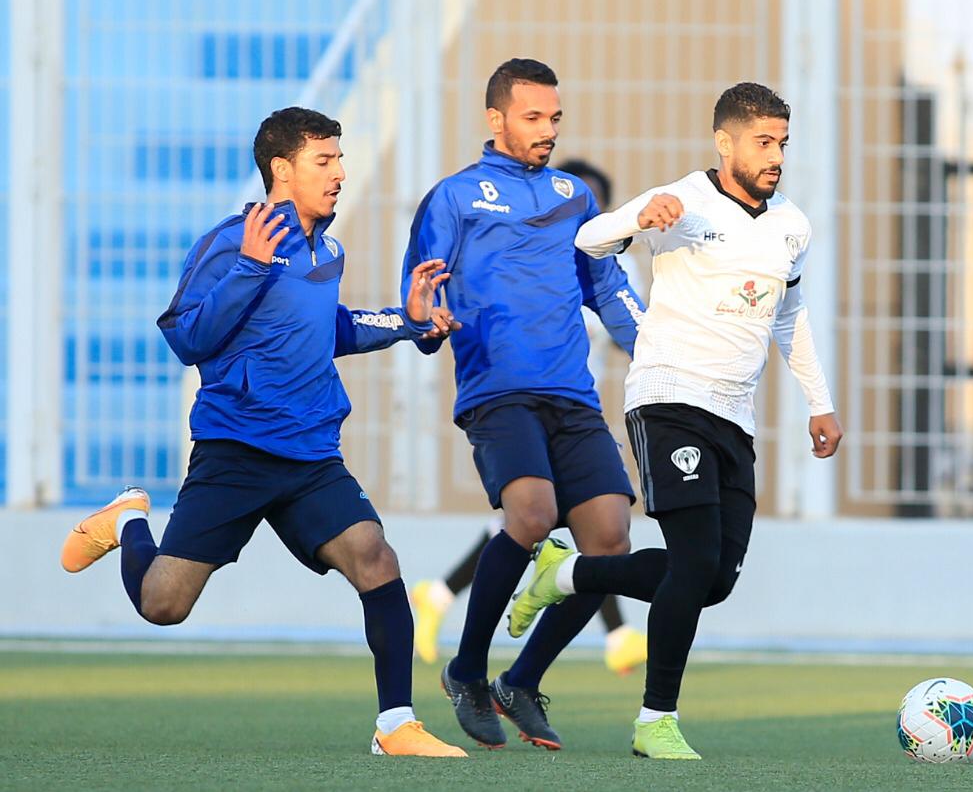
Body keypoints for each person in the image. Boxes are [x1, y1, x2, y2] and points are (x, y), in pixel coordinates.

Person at [59, 107, 467, 758]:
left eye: (339, 158)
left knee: (376, 558)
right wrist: (249, 267)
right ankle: (129, 519)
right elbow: (186, 336)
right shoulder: (230, 241)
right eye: (323, 160)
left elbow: (331, 328)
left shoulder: (327, 247)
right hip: (236, 451)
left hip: (310, 454)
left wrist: (410, 320)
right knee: (163, 603)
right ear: (282, 169)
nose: (339, 172)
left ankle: (396, 724)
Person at [508, 82, 844, 760]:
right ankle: (654, 719)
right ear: (725, 142)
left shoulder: (792, 227)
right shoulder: (684, 199)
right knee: (692, 561)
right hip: (668, 399)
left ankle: (564, 574)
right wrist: (638, 219)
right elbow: (589, 238)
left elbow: (788, 316)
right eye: (762, 141)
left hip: (735, 416)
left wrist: (819, 400)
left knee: (714, 578)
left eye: (782, 142)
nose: (775, 155)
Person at [402, 59, 646, 751]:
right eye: (533, 117)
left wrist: (658, 351)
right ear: (496, 119)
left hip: (572, 395)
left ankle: (522, 679)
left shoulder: (574, 196)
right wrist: (424, 317)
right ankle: (468, 671)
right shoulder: (453, 198)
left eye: (555, 118)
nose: (547, 130)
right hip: (498, 390)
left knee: (608, 539)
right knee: (533, 514)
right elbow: (421, 294)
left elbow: (608, 287)